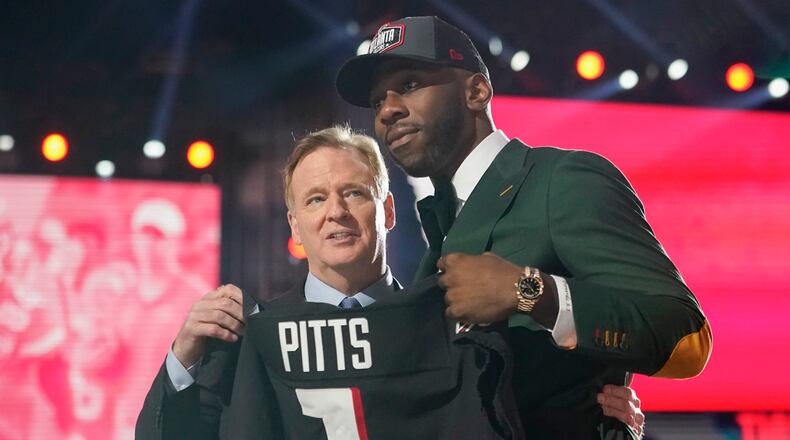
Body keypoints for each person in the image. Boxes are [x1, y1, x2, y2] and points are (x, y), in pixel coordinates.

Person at [136, 126, 645, 438]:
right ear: (294, 224)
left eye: (354, 193)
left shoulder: (458, 330)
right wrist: (182, 358)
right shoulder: (249, 340)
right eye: (315, 199)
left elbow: (520, 423)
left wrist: (597, 424)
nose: (335, 212)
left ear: (388, 210)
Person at [335, 15, 711, 439]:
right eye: (376, 101)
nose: (387, 111)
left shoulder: (561, 179)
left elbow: (686, 341)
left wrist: (530, 291)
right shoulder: (441, 230)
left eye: (409, 85)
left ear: (476, 92)